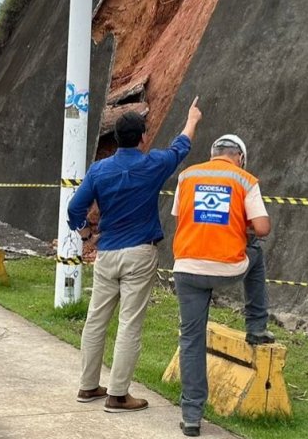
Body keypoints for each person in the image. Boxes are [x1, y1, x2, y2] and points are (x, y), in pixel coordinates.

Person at [68, 98, 202, 413]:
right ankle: (117, 394)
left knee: (96, 320)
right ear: (143, 137)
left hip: (107, 253)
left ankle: (88, 387)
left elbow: (74, 208)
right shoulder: (152, 164)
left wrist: (86, 233)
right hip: (140, 252)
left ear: (115, 138)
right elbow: (180, 147)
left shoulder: (99, 170)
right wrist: (192, 118)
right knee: (129, 322)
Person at [170, 134, 273, 437]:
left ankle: (191, 416)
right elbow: (263, 228)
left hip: (187, 268)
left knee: (191, 339)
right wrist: (242, 225)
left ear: (213, 153)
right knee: (255, 248)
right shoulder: (244, 179)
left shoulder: (188, 175)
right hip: (228, 269)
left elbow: (180, 217)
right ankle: (256, 326)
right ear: (240, 156)